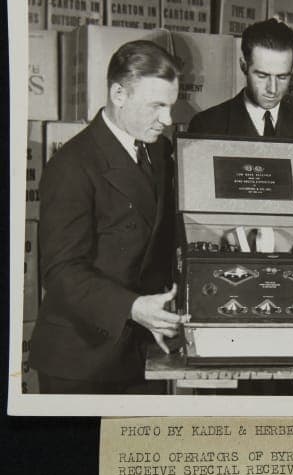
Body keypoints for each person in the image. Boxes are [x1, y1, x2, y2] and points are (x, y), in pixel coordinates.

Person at [30, 40, 183, 394]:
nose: (168, 119)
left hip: (141, 349)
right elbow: (61, 273)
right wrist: (133, 307)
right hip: (82, 360)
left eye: (171, 105)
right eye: (157, 105)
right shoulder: (72, 166)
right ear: (118, 94)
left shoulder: (158, 149)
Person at [188, 18, 293, 150]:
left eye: (282, 77)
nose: (273, 89)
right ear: (244, 66)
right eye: (262, 76)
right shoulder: (207, 126)